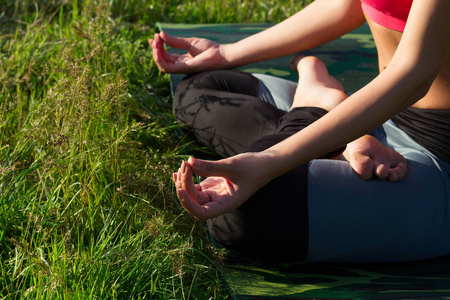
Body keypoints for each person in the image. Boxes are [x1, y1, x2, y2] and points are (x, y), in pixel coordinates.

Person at [149, 0, 450, 263]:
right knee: (201, 90)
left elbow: (414, 74)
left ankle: (316, 112)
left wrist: (271, 160)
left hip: (436, 158)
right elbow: (344, 5)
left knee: (241, 214)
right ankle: (335, 125)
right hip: (380, 112)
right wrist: (226, 53)